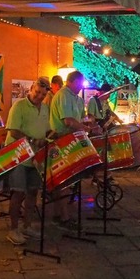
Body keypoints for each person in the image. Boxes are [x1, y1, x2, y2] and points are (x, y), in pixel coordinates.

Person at [4, 77, 52, 245]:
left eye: (43, 94)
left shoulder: (45, 108)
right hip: (18, 156)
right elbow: (13, 131)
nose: (39, 96)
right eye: (37, 92)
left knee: (33, 192)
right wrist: (32, 139)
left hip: (36, 157)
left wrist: (49, 136)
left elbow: (46, 129)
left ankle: (27, 226)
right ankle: (13, 229)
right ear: (31, 89)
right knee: (18, 192)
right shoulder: (19, 106)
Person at [49, 70, 90, 229]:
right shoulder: (63, 95)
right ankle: (62, 217)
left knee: (68, 181)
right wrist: (85, 128)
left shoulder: (78, 98)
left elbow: (80, 119)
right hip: (60, 141)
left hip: (73, 141)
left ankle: (61, 215)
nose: (81, 88)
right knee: (61, 180)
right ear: (71, 82)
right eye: (79, 84)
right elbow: (68, 121)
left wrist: (89, 124)